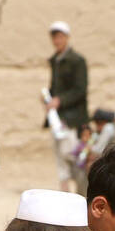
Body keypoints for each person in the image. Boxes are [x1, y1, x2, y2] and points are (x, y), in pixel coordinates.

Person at [44, 20, 88, 193]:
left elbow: (80, 90)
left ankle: (81, 194)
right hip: (58, 120)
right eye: (55, 37)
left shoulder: (77, 61)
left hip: (73, 120)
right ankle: (65, 195)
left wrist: (60, 100)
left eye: (60, 36)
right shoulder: (55, 61)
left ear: (67, 37)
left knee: (74, 157)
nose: (57, 40)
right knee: (60, 158)